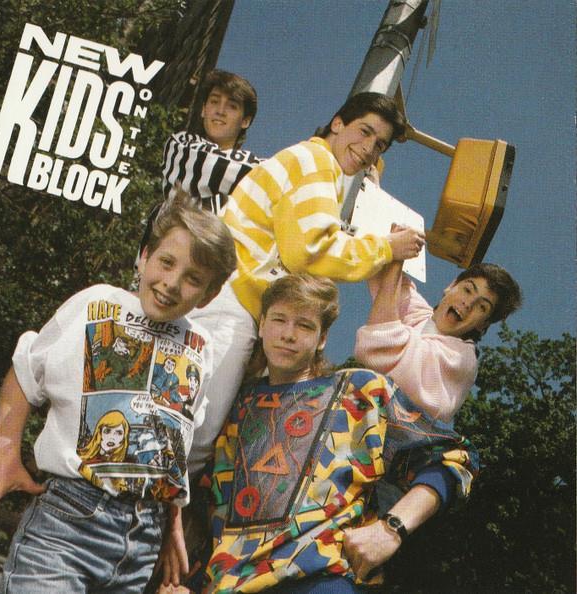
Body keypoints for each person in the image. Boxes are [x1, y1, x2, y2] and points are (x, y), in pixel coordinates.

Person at [0, 197, 236, 593]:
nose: (171, 283)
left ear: (209, 294)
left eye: (193, 278)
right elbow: (26, 371)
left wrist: (171, 524)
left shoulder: (200, 345)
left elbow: (172, 444)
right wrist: (3, 452)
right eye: (166, 262)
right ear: (145, 256)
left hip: (142, 544)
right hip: (68, 524)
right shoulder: (98, 303)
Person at [187, 92, 426, 477]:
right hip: (230, 303)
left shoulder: (317, 168)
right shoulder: (316, 162)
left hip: (232, 298)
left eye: (379, 145)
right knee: (197, 431)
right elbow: (311, 251)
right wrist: (387, 247)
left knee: (196, 422)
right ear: (337, 123)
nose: (368, 149)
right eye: (364, 132)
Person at [202, 274, 477, 593]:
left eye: (304, 325)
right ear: (262, 325)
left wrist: (391, 529)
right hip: (227, 583)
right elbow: (207, 501)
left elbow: (455, 458)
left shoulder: (360, 392)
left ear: (322, 338)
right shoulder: (236, 405)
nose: (288, 334)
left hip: (320, 579)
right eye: (279, 319)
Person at [354, 258, 522, 422]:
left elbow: (378, 346)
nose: (468, 303)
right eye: (468, 290)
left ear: (483, 324)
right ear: (451, 286)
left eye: (482, 307)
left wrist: (397, 262)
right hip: (360, 421)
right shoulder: (421, 317)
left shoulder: (462, 359)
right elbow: (385, 274)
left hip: (390, 435)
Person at [135, 69, 261, 273]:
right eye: (214, 101)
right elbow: (206, 168)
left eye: (232, 106)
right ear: (203, 109)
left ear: (245, 121)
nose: (220, 111)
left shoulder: (257, 167)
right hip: (160, 263)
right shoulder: (181, 143)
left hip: (213, 272)